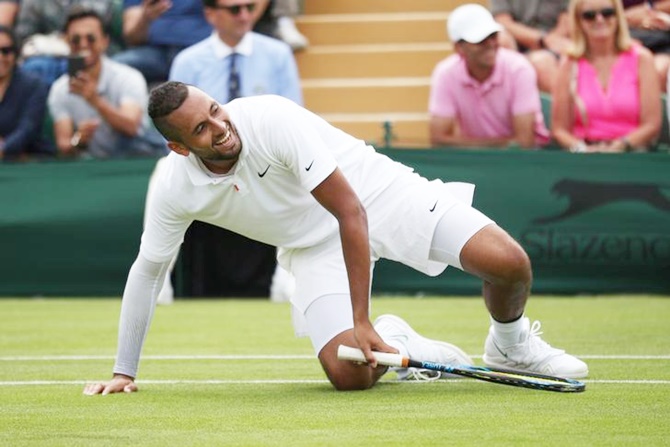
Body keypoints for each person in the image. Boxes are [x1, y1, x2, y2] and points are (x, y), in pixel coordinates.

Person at [82, 81, 588, 395]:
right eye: (201, 127)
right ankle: (401, 340)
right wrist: (124, 372)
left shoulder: (269, 118)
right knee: (349, 376)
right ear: (177, 146)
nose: (220, 126)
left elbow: (350, 211)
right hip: (310, 246)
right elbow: (148, 272)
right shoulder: (173, 187)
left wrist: (360, 318)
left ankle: (510, 344)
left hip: (377, 194)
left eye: (215, 109)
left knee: (509, 263)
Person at [153, 0, 302, 303]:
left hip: (268, 158)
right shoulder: (188, 60)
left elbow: (294, 117)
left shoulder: (278, 53)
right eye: (235, 8)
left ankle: (286, 282)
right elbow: (174, 127)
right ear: (210, 14)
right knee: (161, 172)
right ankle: (158, 282)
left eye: (250, 6)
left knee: (299, 172)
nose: (245, 15)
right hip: (207, 160)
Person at [429, 4, 550, 149]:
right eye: (480, 40)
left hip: (522, 162)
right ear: (458, 48)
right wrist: (502, 144)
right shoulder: (445, 73)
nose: (490, 44)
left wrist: (470, 146)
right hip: (478, 162)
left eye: (493, 36)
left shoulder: (519, 69)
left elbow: (524, 143)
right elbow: (438, 140)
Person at [48, 7, 164, 158]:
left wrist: (94, 100)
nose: (83, 45)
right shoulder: (60, 89)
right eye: (76, 39)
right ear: (66, 41)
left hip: (136, 157)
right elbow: (64, 145)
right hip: (94, 165)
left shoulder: (128, 77)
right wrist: (78, 140)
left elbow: (131, 127)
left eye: (91, 38)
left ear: (105, 41)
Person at [551, 0, 661, 153]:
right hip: (584, 155)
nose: (599, 19)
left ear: (618, 16)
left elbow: (652, 123)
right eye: (589, 15)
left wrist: (622, 145)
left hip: (632, 153)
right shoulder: (569, 63)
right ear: (578, 21)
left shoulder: (642, 58)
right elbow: (559, 129)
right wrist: (582, 149)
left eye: (608, 13)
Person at [14, 0, 123, 85]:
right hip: (51, 55)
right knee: (34, 67)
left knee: (81, 62)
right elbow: (24, 35)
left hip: (96, 53)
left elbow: (96, 25)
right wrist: (58, 42)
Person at [112, 0, 211, 84]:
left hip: (199, 50)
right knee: (112, 69)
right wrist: (146, 16)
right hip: (156, 53)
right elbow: (132, 38)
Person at [0, 25, 56, 161]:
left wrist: (4, 148)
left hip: (31, 161)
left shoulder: (33, 85)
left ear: (15, 54)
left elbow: (28, 129)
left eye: (6, 51)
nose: (0, 57)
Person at [490, 0, 572, 92]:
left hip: (553, 47)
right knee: (500, 40)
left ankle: (558, 103)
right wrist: (540, 39)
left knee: (543, 63)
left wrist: (547, 43)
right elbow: (503, 22)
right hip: (516, 43)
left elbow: (567, 23)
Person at [622, 0, 670, 91]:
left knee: (656, 73)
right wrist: (626, 18)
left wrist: (650, 10)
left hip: (662, 35)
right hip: (624, 35)